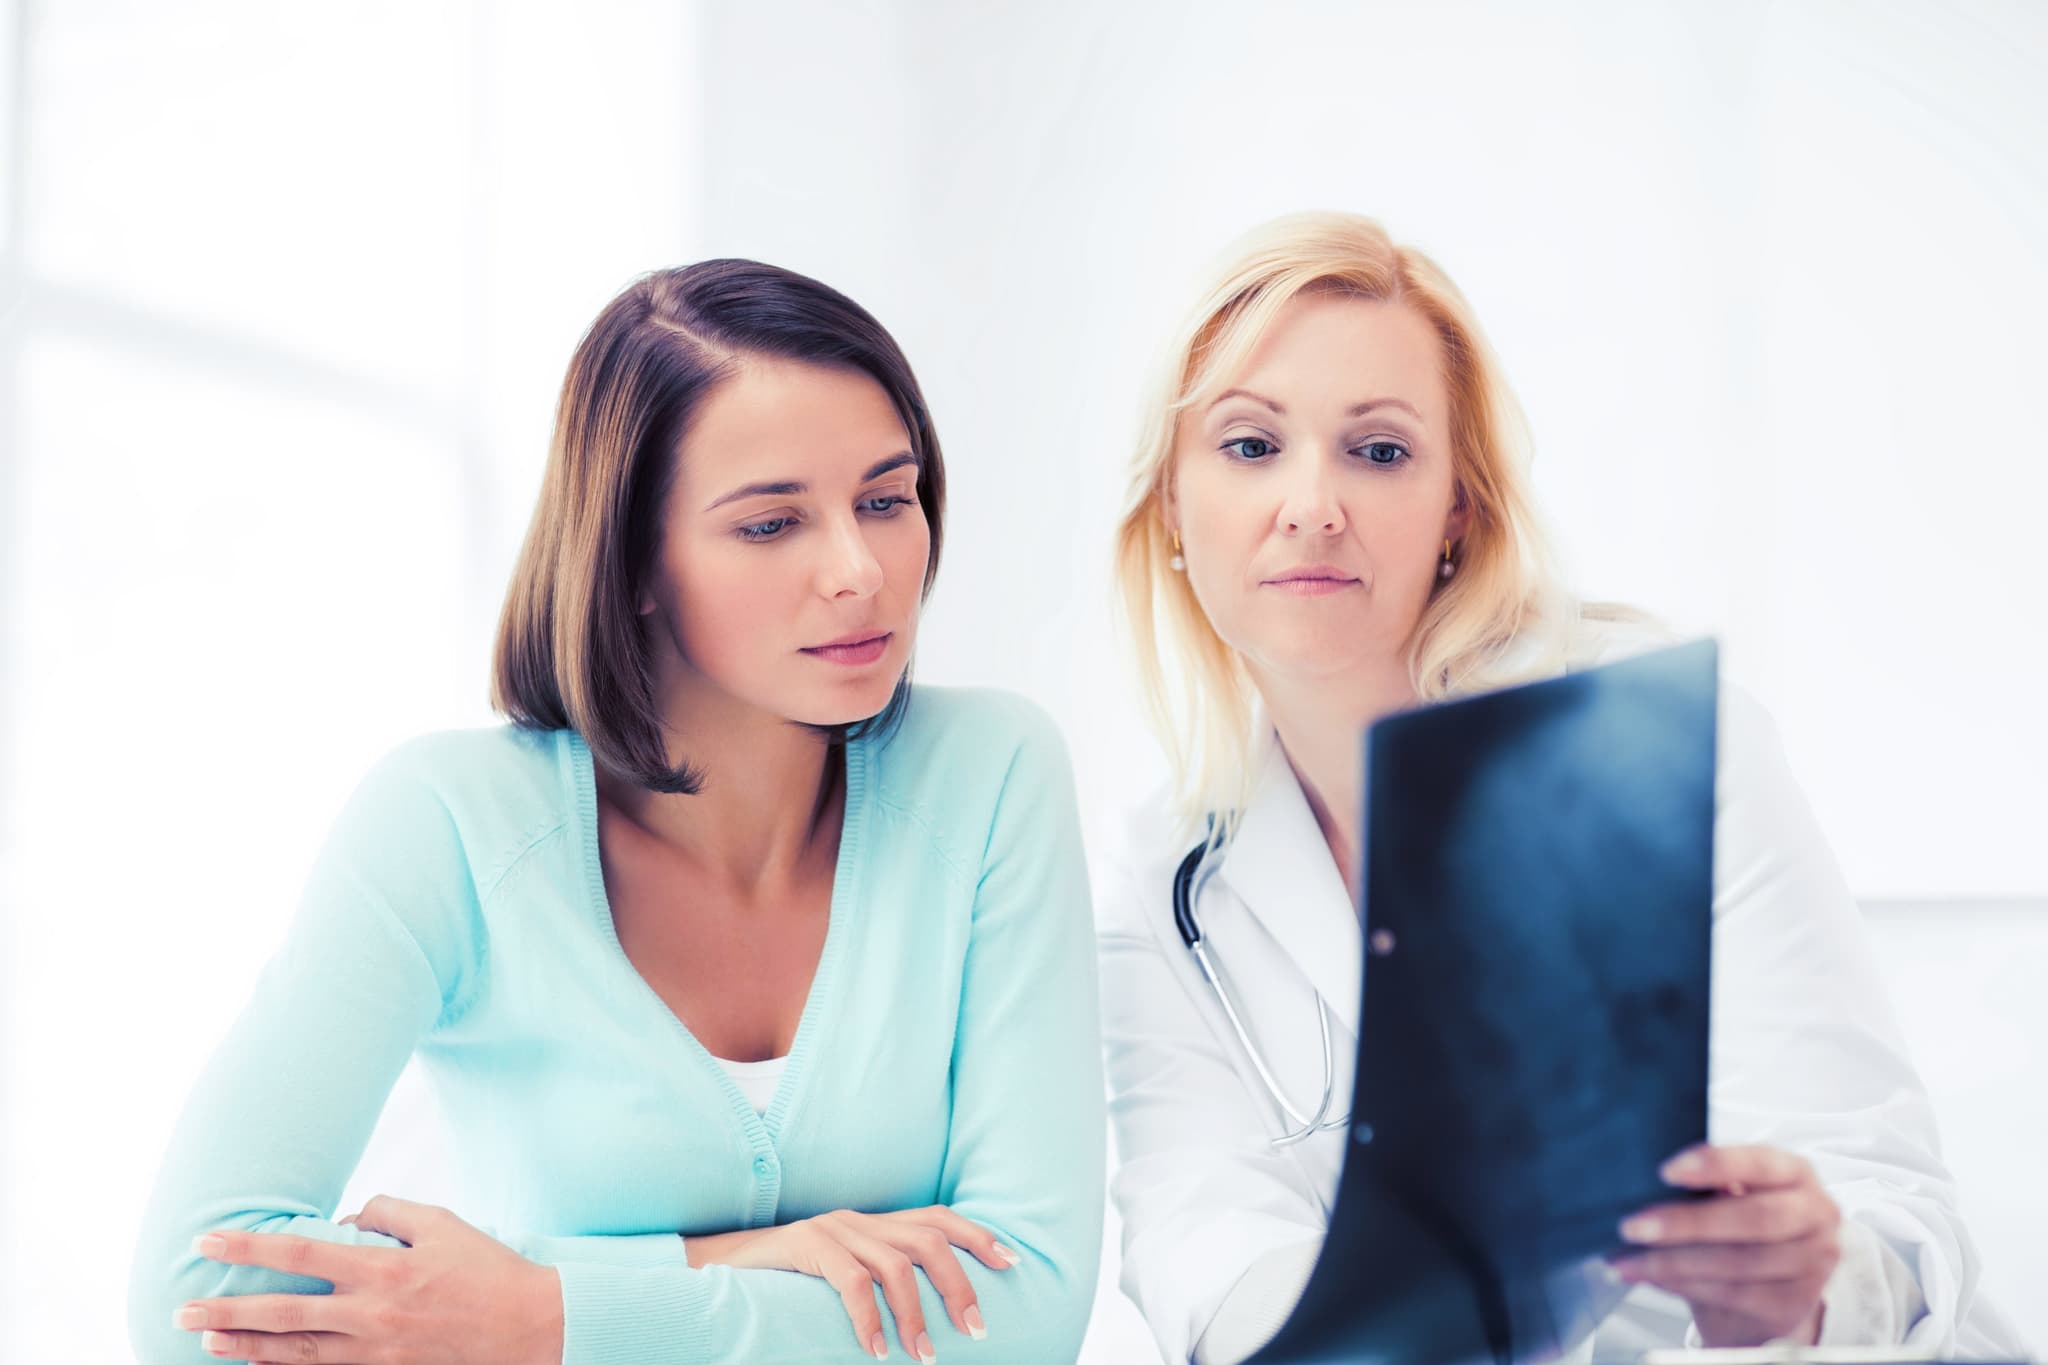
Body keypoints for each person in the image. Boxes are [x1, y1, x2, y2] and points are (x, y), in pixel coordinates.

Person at [129, 260, 1103, 1365]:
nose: (860, 570)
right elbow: (196, 1294)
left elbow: (1026, 1314)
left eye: (886, 500)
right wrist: (718, 1264)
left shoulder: (990, 777)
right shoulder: (450, 822)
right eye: (771, 524)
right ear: (634, 559)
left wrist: (540, 1314)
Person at [1098, 211, 2023, 1365]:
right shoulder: (1166, 878)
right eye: (1247, 446)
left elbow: (1875, 1193)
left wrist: (1802, 1288)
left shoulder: (1649, 759)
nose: (1310, 505)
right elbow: (1201, 1240)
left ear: (1458, 512)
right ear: (1172, 511)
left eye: (1378, 451)